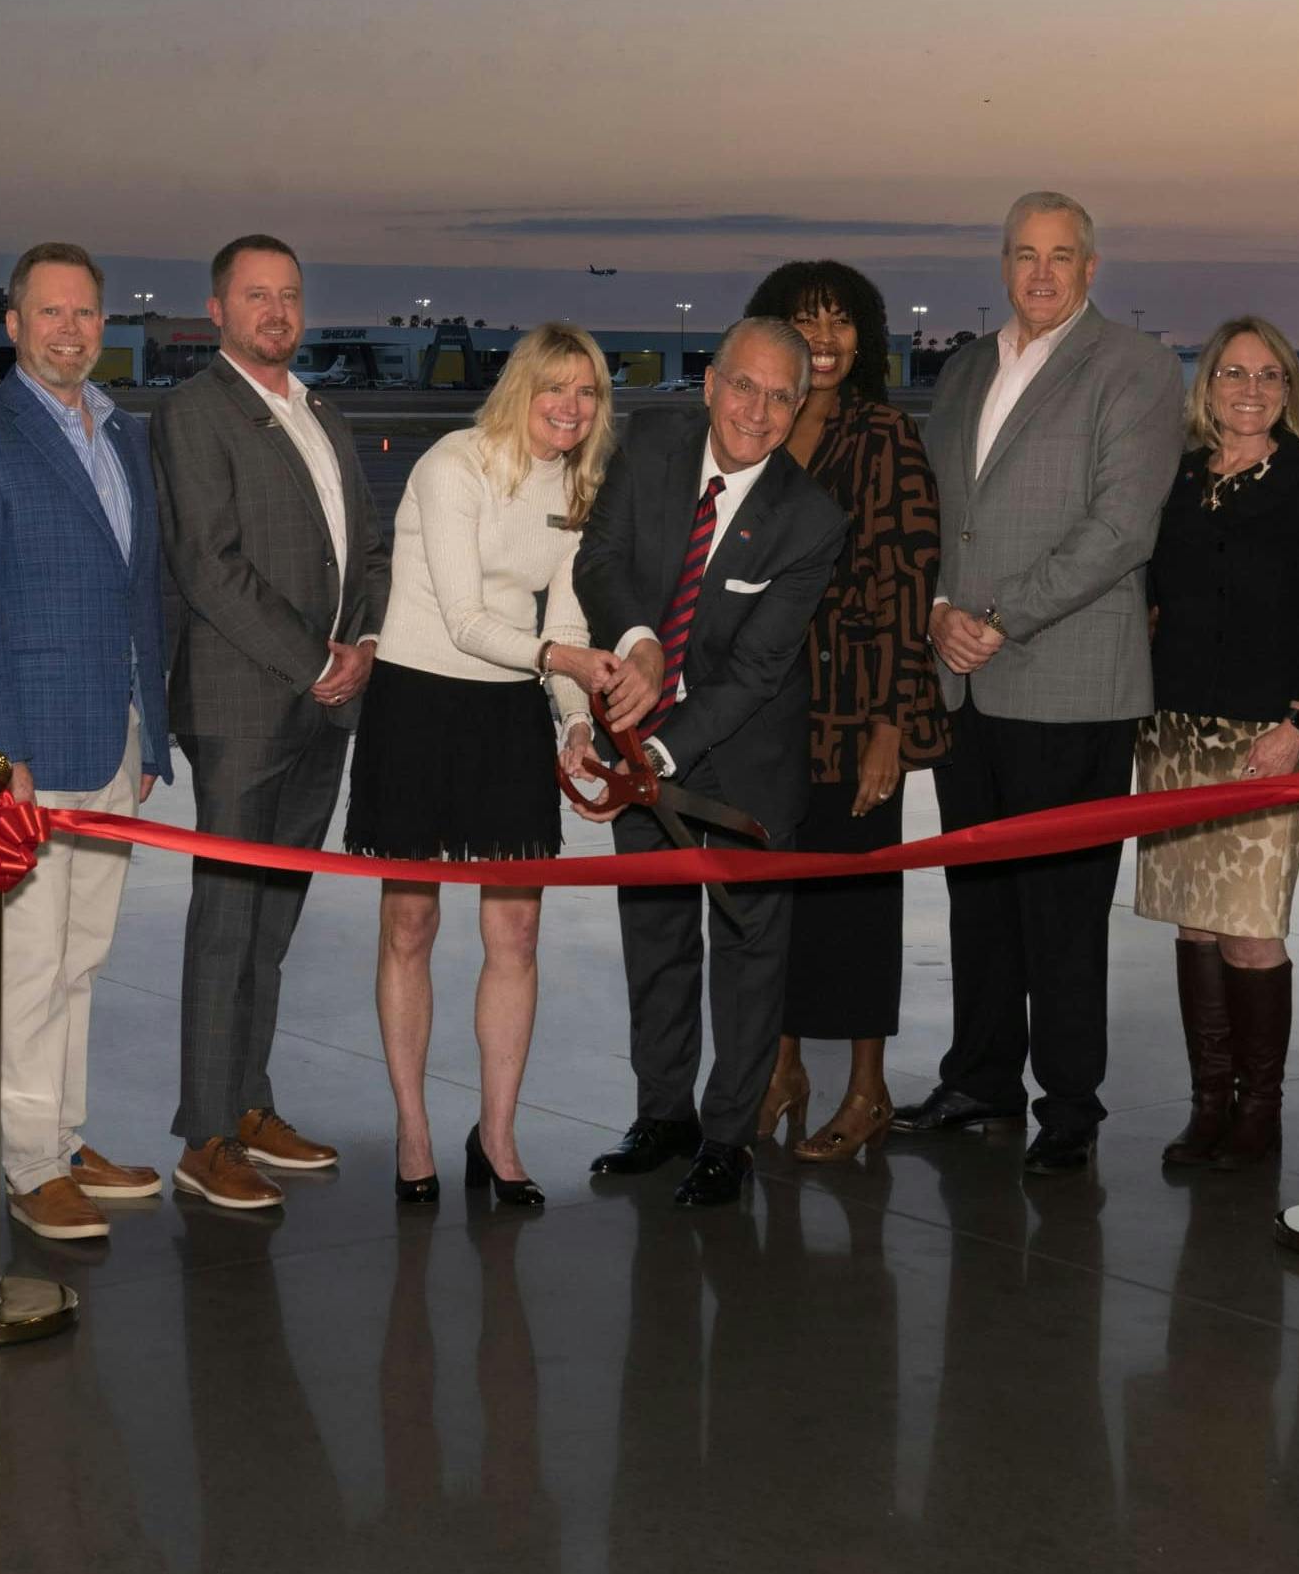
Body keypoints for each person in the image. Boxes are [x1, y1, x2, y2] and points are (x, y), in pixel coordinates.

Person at [894, 191, 1185, 1179]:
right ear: (1003, 264)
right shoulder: (969, 367)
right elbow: (936, 514)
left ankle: (1069, 1107)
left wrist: (1000, 616)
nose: (1043, 272)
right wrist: (937, 607)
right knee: (976, 897)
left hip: (1070, 682)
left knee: (1062, 911)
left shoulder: (1135, 369)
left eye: (1063, 255)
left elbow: (1120, 531)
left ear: (1093, 268)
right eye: (1025, 254)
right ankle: (979, 1079)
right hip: (964, 681)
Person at [345, 322, 637, 1208]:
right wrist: (566, 664)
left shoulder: (577, 481)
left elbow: (573, 618)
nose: (571, 408)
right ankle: (414, 1129)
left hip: (513, 708)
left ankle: (498, 1137)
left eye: (588, 393)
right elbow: (469, 620)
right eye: (555, 388)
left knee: (514, 936)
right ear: (521, 388)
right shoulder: (452, 464)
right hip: (421, 702)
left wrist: (578, 723)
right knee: (410, 930)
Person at [0, 241, 173, 1240]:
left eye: (87, 314)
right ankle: (25, 1167)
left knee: (79, 961)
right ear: (15, 326)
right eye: (50, 314)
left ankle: (61, 1136)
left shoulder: (124, 438)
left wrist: (147, 727)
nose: (71, 330)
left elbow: (137, 593)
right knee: (25, 968)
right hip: (25, 757)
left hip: (109, 741)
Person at [571, 317, 848, 1209]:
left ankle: (728, 1136)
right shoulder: (649, 447)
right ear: (710, 382)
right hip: (641, 731)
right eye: (743, 386)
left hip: (742, 767)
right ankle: (664, 1115)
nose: (756, 412)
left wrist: (652, 753)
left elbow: (759, 671)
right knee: (654, 940)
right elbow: (599, 561)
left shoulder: (810, 519)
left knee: (748, 956)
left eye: (779, 396)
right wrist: (643, 643)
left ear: (799, 405)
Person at [153, 234, 392, 1211]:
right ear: (217, 309)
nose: (277, 313)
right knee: (224, 926)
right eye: (257, 297)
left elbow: (367, 547)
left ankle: (250, 1104)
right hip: (249, 703)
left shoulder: (322, 415)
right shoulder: (195, 412)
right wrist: (314, 663)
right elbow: (209, 567)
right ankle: (206, 1134)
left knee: (272, 924)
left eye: (289, 296)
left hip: (324, 707)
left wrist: (365, 640)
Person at [1134, 315, 1299, 1168]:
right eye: (1234, 373)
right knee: (1195, 927)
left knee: (1250, 930)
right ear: (1209, 386)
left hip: (1269, 736)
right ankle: (1208, 1107)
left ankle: (1259, 1113)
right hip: (1175, 730)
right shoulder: (1180, 481)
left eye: (1269, 375)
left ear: (1288, 390)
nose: (1250, 389)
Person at [739, 261, 948, 1162]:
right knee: (774, 900)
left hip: (858, 705)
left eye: (839, 322)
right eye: (803, 320)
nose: (822, 339)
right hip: (767, 710)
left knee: (859, 903)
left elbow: (909, 585)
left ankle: (866, 1089)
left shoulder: (886, 434)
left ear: (865, 335)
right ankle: (781, 1071)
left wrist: (891, 728)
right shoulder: (760, 429)